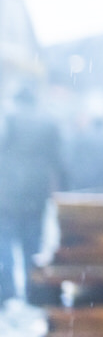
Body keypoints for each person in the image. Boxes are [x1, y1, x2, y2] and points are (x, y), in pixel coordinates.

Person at [0, 86, 63, 303]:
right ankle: (32, 289)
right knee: (32, 242)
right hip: (36, 189)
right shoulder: (48, 121)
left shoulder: (8, 118)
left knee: (5, 239)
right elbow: (57, 159)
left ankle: (7, 290)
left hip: (8, 189)